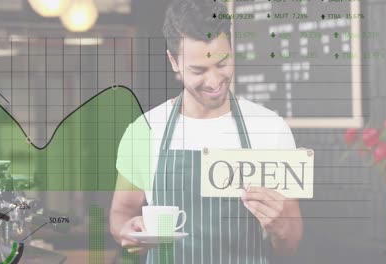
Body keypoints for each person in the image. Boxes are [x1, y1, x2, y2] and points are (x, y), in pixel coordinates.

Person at [110, 0, 303, 263]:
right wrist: (127, 231)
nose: (213, 82)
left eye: (222, 64)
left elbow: (291, 244)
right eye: (198, 70)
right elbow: (121, 211)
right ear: (173, 62)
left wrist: (282, 227)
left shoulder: (270, 129)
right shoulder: (144, 130)